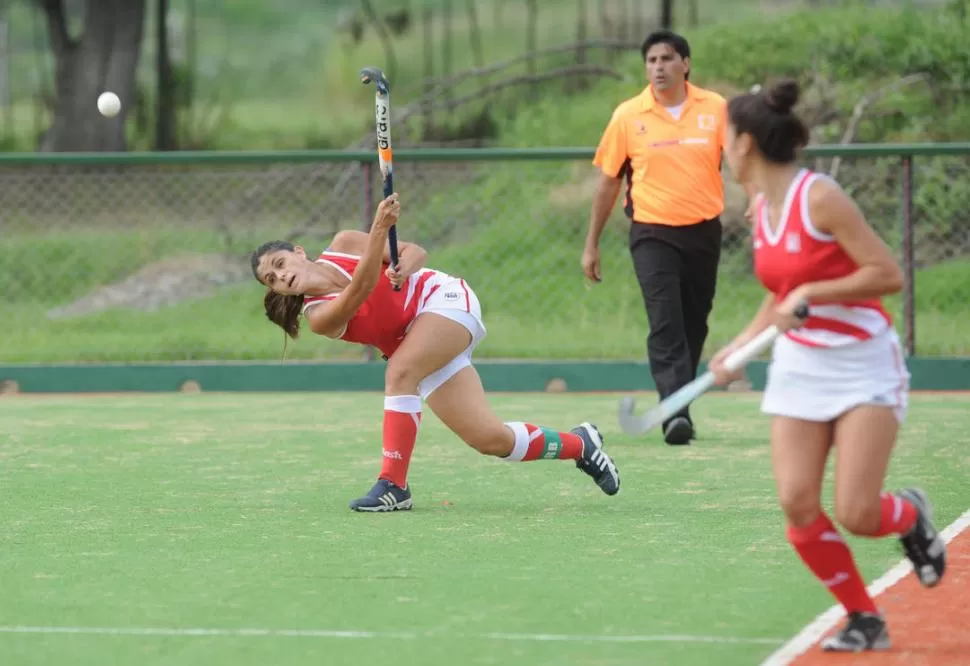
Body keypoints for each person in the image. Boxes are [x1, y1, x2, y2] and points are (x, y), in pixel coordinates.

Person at [709, 78, 946, 652]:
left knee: (858, 511)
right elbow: (779, 294)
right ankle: (864, 617)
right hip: (800, 365)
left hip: (862, 362)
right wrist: (739, 348)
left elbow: (886, 275)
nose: (718, 147)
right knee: (796, 500)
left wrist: (814, 292)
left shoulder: (819, 197)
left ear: (744, 144)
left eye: (724, 136)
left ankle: (909, 516)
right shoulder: (760, 208)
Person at [250, 193, 620, 512]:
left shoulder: (344, 242)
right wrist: (380, 228)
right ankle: (580, 445)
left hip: (442, 301)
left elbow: (414, 252)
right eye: (272, 280)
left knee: (398, 373)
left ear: (298, 252)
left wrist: (403, 265)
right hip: (417, 344)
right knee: (489, 439)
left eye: (280, 265)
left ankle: (394, 485)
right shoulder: (318, 316)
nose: (280, 277)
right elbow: (359, 291)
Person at [583, 29, 744, 446]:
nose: (659, 67)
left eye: (667, 59)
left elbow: (741, 158)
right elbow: (607, 184)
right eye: (652, 60)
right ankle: (676, 410)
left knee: (694, 320)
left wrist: (762, 200)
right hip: (652, 232)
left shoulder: (716, 108)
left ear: (685, 64)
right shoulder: (627, 115)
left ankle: (679, 400)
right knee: (665, 320)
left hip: (704, 229)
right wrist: (592, 244)